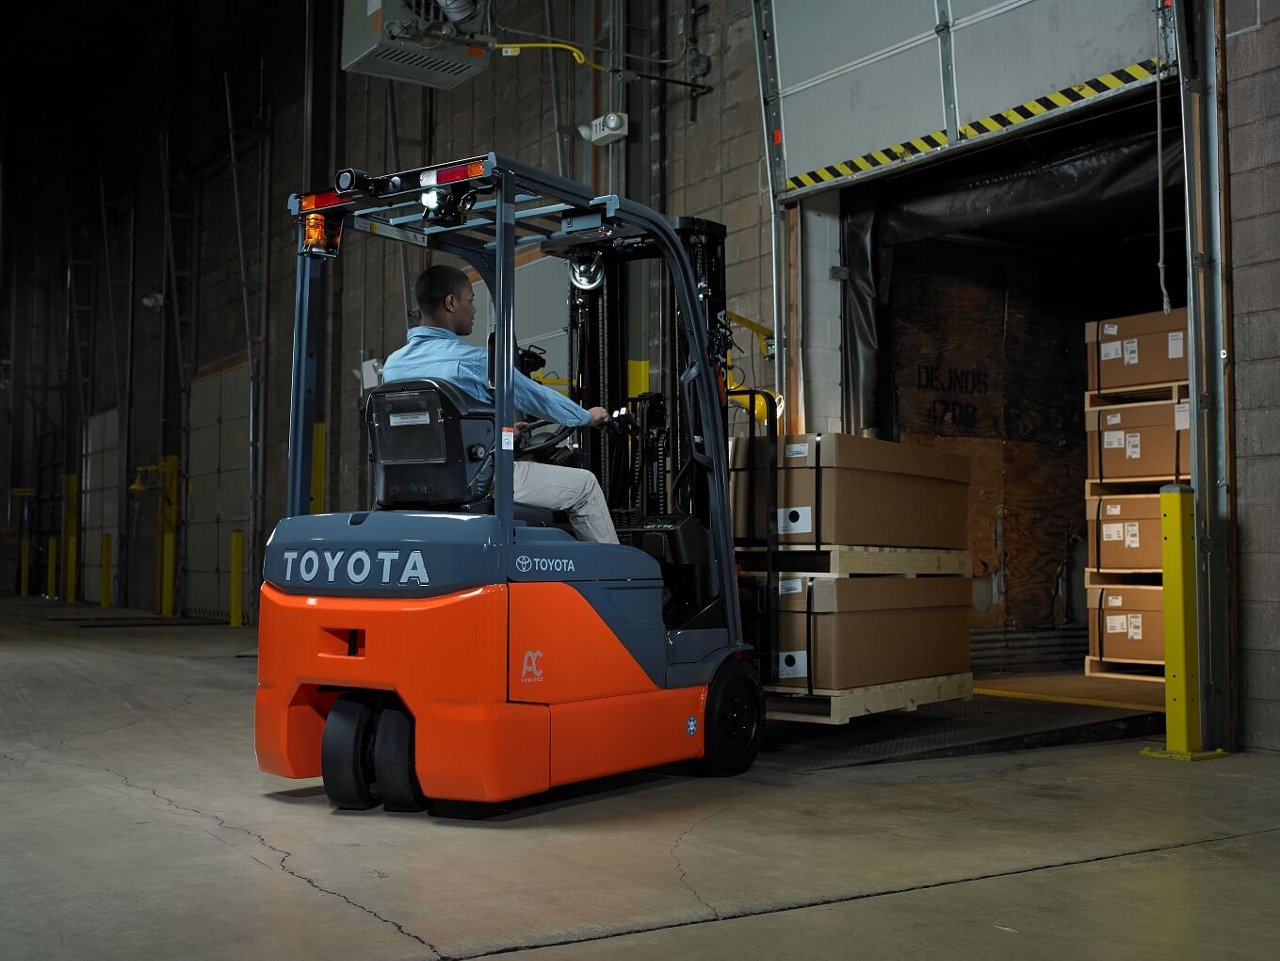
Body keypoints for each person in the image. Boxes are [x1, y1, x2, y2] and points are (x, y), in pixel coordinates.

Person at [381, 264, 619, 544]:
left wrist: (500, 435)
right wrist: (585, 417)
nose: (474, 309)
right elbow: (534, 396)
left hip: (411, 485)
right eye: (470, 300)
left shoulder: (393, 366)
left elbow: (437, 430)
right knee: (586, 486)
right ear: (451, 302)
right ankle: (621, 581)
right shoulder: (474, 361)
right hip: (479, 482)